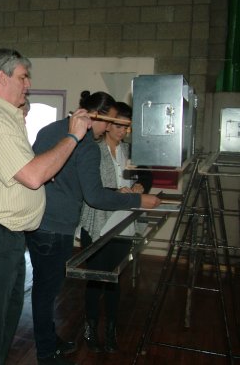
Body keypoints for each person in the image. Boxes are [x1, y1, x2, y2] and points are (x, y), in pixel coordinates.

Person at [0, 48, 92, 365]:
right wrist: (72, 137)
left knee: (3, 326)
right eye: (23, 77)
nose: (28, 84)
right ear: (2, 77)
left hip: (7, 238)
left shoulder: (7, 118)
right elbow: (33, 176)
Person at [27, 92, 160, 365]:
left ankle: (48, 340)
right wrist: (138, 199)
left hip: (37, 222)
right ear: (97, 116)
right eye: (109, 121)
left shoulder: (50, 129)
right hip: (57, 226)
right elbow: (95, 196)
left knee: (43, 290)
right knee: (46, 292)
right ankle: (46, 353)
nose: (110, 128)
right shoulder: (85, 143)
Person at [78, 101, 152, 354]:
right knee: (95, 278)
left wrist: (141, 186)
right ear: (108, 124)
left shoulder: (129, 151)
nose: (123, 131)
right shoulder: (93, 150)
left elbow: (147, 175)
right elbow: (90, 189)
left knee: (114, 280)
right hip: (97, 222)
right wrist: (116, 191)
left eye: (127, 127)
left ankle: (110, 329)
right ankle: (90, 327)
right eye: (120, 125)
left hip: (123, 224)